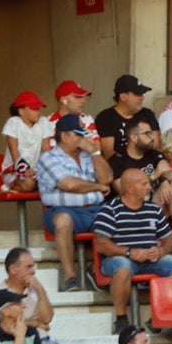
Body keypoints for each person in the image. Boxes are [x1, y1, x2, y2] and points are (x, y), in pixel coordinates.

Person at [89, 167, 172, 333]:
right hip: (119, 257)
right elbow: (100, 243)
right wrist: (129, 252)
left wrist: (161, 251)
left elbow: (170, 240)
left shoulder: (153, 209)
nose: (149, 187)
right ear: (129, 188)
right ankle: (121, 319)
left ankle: (158, 316)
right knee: (123, 268)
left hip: (150, 257)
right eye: (144, 184)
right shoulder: (110, 209)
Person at [36, 113, 108, 292]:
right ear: (64, 136)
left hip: (96, 209)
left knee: (119, 217)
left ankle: (98, 270)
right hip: (64, 210)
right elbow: (69, 184)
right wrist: (97, 186)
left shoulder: (89, 156)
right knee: (63, 221)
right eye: (77, 134)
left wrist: (94, 152)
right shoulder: (48, 158)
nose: (82, 138)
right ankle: (70, 277)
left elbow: (107, 178)